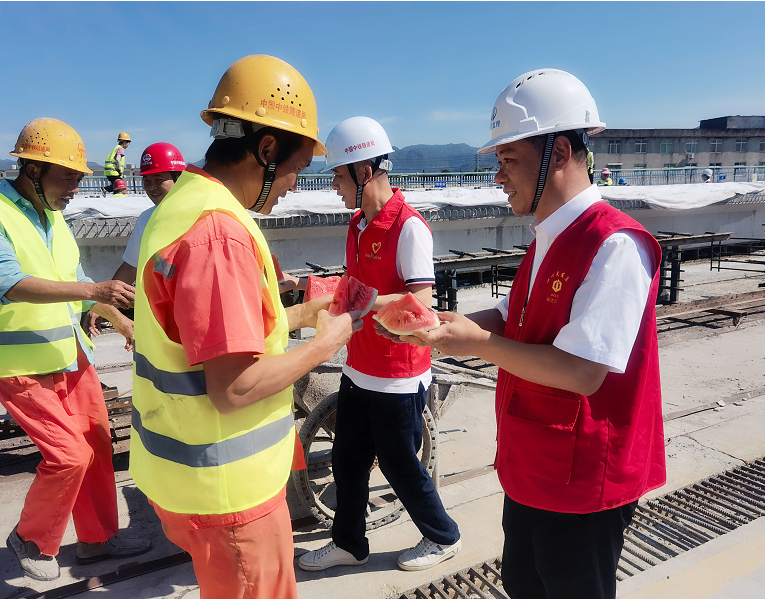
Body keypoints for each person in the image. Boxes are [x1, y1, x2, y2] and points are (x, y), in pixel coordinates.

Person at [379, 69, 666, 599]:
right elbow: (513, 315)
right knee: (524, 583)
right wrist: (445, 327)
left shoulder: (615, 245)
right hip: (533, 463)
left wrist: (477, 344)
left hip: (582, 478)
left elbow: (582, 372)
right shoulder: (548, 237)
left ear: (559, 153)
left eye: (508, 160)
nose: (498, 176)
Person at [128, 55, 361, 599]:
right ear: (267, 148)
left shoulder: (180, 204)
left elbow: (204, 337)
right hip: (231, 494)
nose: (293, 187)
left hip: (183, 479)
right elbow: (234, 387)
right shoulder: (220, 234)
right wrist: (326, 343)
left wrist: (300, 316)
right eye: (297, 169)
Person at [298, 117, 461, 573]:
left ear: (364, 171)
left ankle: (442, 536)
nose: (333, 185)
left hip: (398, 373)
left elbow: (421, 303)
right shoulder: (356, 224)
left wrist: (360, 302)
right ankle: (349, 543)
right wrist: (316, 291)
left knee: (399, 464)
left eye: (337, 174)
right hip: (358, 365)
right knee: (348, 460)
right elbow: (354, 284)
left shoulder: (410, 228)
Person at [1, 118, 151, 582]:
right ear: (32, 170)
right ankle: (31, 538)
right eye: (68, 178)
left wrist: (120, 320)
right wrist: (94, 289)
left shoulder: (53, 217)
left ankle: (98, 539)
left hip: (71, 355)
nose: (75, 188)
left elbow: (80, 287)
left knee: (97, 445)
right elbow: (10, 283)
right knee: (68, 455)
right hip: (22, 364)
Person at [112, 142, 186, 285]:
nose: (152, 187)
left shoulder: (202, 215)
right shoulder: (146, 219)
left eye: (159, 179)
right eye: (146, 181)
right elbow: (131, 267)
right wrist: (105, 297)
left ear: (179, 179)